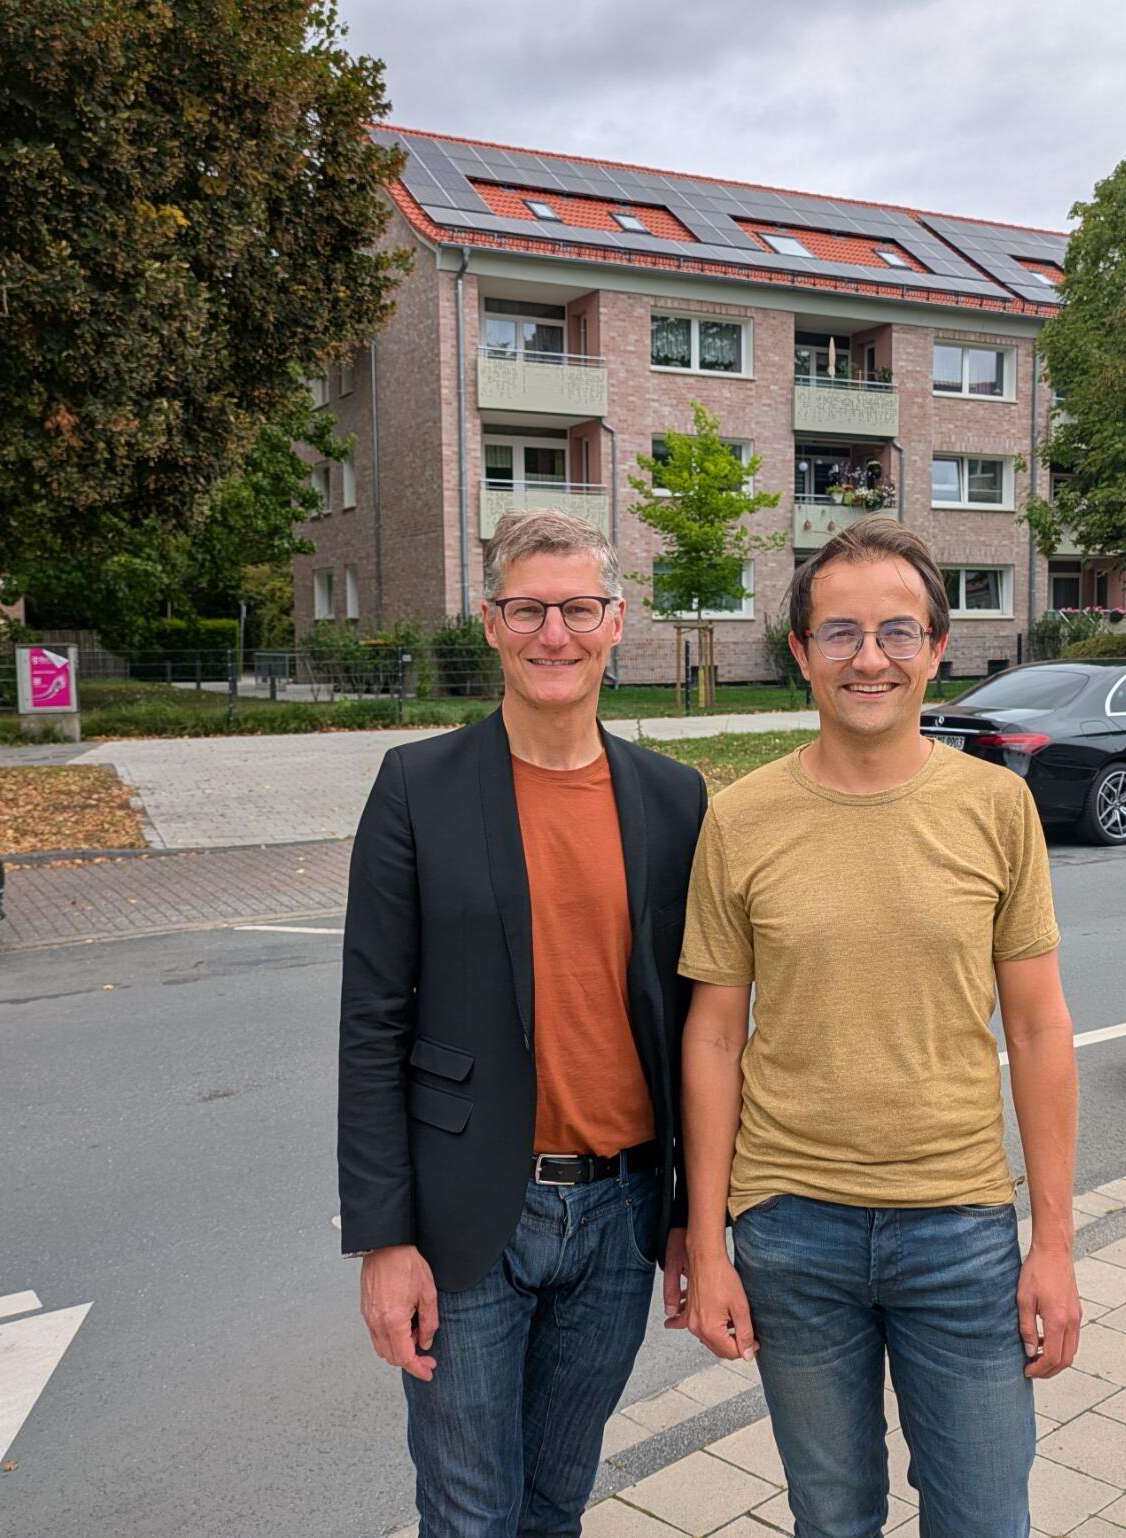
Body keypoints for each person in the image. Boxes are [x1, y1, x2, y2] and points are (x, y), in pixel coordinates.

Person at [679, 516, 1080, 1538]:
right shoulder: (741, 817)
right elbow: (714, 1037)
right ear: (801, 652)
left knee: (984, 1516)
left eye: (898, 632)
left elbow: (1037, 1031)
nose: (870, 657)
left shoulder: (995, 807)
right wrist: (711, 1240)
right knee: (831, 1516)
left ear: (936, 648)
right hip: (789, 1229)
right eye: (841, 632)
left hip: (957, 1225)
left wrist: (1055, 1245)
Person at [338, 510, 706, 1537]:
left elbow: (694, 1031)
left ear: (616, 620)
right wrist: (384, 1237)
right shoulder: (418, 786)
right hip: (466, 1223)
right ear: (492, 623)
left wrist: (689, 1213)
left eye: (577, 608)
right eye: (528, 609)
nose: (555, 633)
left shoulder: (674, 800)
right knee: (468, 1509)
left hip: (619, 1217)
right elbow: (370, 1022)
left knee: (555, 1498)